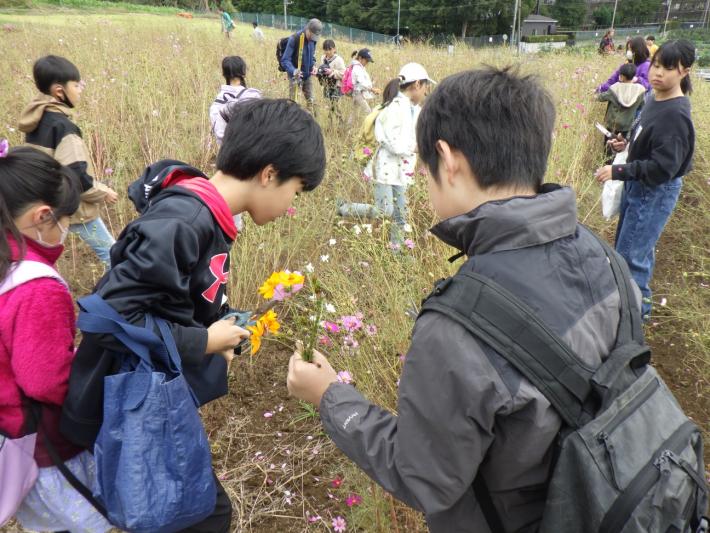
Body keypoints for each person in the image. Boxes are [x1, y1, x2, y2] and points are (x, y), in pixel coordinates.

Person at [287, 66, 628, 531]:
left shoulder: (458, 325)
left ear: (448, 160)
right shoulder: (605, 258)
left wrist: (330, 397)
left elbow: (424, 476)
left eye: (424, 171)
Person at [61, 99, 326, 532]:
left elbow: (164, 301)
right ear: (269, 173)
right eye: (295, 192)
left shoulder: (206, 215)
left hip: (154, 397)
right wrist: (203, 342)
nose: (291, 206)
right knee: (202, 515)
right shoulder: (184, 220)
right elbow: (107, 314)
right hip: (127, 403)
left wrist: (221, 329)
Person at [0, 146, 112, 533]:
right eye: (65, 219)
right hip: (48, 449)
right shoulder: (36, 288)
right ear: (43, 216)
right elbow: (44, 379)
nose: (67, 229)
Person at [595, 40, 695, 321]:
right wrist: (623, 144)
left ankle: (632, 324)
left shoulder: (675, 114)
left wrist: (618, 171)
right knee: (636, 251)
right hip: (639, 185)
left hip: (654, 191)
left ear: (684, 71)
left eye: (668, 68)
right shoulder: (653, 99)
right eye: (656, 65)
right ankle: (641, 309)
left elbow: (663, 168)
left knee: (628, 258)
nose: (658, 73)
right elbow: (643, 138)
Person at [19, 55, 118, 270]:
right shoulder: (63, 128)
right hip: (72, 206)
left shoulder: (37, 119)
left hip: (45, 204)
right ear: (58, 91)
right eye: (76, 84)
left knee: (39, 257)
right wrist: (103, 192)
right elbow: (76, 177)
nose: (80, 89)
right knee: (113, 254)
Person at [339, 64, 433, 248]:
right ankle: (343, 208)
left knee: (400, 215)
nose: (426, 90)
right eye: (425, 85)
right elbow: (391, 141)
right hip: (384, 169)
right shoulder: (395, 108)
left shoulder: (415, 109)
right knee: (384, 210)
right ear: (416, 85)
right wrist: (415, 148)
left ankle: (396, 251)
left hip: (402, 170)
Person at [209, 56, 262, 233]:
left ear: (224, 73)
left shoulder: (217, 103)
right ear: (243, 72)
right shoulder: (254, 95)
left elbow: (219, 134)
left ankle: (233, 226)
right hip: (254, 151)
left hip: (229, 154)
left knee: (232, 190)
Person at [280, 18, 323, 114]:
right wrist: (294, 71)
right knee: (294, 105)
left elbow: (312, 56)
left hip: (307, 76)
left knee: (311, 102)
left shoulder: (313, 40)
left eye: (315, 37)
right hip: (295, 77)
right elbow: (285, 60)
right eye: (312, 35)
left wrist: (314, 66)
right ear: (308, 29)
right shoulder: (294, 39)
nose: (313, 38)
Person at [596, 63, 646, 139]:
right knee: (621, 144)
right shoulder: (640, 90)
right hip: (627, 125)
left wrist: (595, 94)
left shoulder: (615, 88)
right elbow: (641, 106)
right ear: (633, 76)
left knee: (608, 143)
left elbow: (600, 98)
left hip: (612, 124)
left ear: (621, 76)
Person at [317, 39, 346, 122]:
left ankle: (339, 122)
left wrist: (332, 72)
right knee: (329, 104)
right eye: (326, 50)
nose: (328, 52)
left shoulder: (338, 60)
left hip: (336, 86)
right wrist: (318, 72)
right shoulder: (323, 58)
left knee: (335, 104)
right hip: (326, 85)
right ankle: (333, 122)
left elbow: (343, 74)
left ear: (334, 49)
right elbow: (321, 69)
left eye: (330, 49)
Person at [349, 48, 378, 119]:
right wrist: (372, 89)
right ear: (360, 58)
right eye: (367, 60)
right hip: (358, 93)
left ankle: (348, 128)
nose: (367, 62)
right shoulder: (357, 68)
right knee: (369, 113)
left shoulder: (359, 67)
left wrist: (372, 83)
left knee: (354, 113)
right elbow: (362, 83)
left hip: (357, 92)